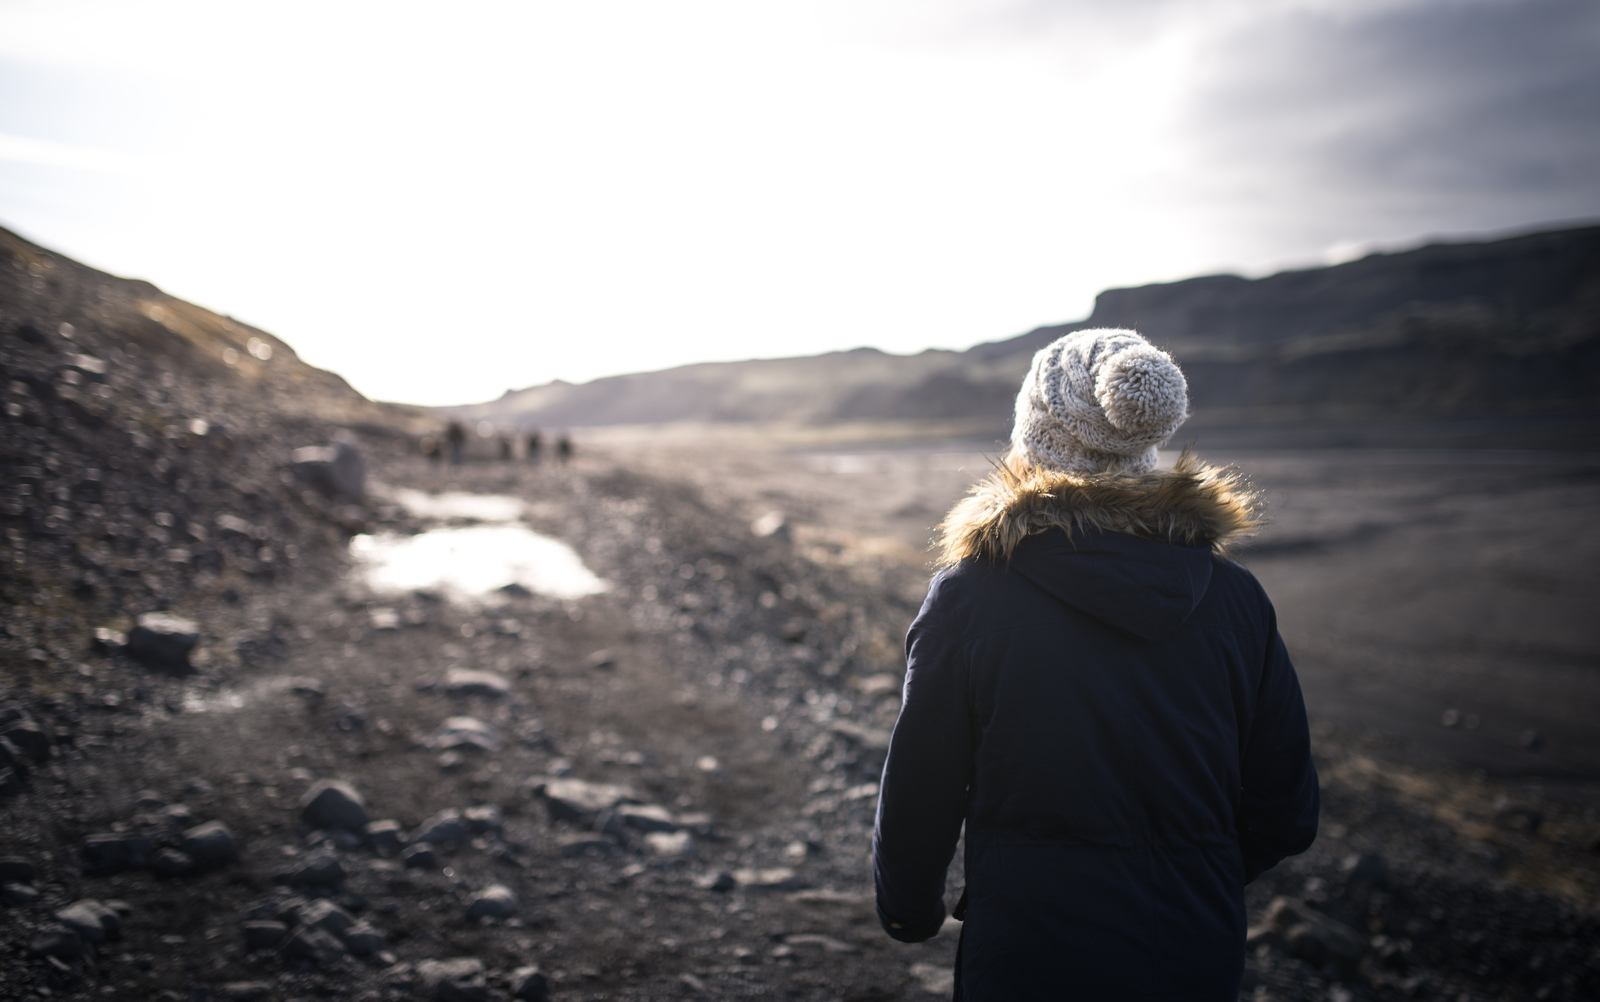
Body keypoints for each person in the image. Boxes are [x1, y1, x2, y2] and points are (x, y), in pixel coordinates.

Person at [872, 328, 1319, 1001]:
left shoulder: (972, 596)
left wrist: (909, 908)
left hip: (1028, 952)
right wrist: (1194, 871)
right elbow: (1287, 810)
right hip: (1192, 950)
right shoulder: (1236, 599)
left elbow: (923, 781)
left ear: (1035, 437)